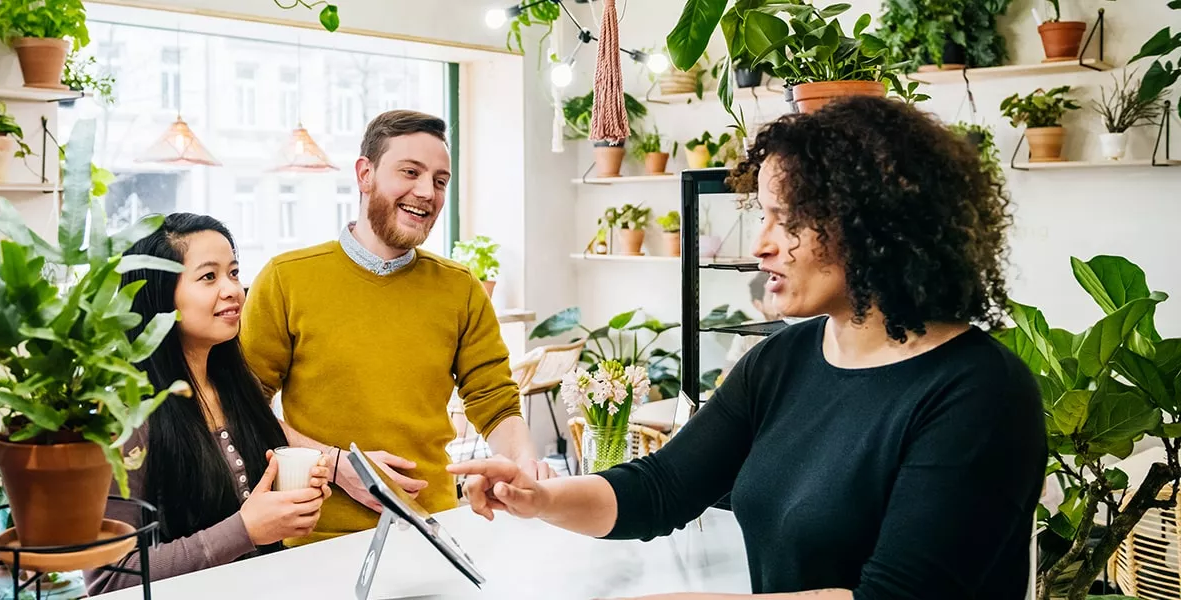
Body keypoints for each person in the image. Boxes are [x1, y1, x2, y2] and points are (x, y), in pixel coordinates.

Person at [448, 97, 1045, 599]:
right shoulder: (782, 359)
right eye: (761, 216)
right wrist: (539, 496)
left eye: (784, 220)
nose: (760, 245)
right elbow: (662, 488)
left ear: (871, 226)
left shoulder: (979, 393)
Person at [241, 109, 551, 544]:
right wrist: (333, 464)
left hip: (434, 531)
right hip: (314, 537)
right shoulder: (285, 279)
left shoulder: (460, 288)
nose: (426, 192)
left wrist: (525, 466)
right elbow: (241, 408)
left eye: (440, 181)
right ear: (365, 174)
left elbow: (495, 402)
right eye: (410, 172)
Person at [86, 213, 332, 593]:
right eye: (208, 277)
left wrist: (290, 501)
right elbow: (110, 577)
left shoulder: (235, 388)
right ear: (158, 293)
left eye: (234, 273)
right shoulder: (127, 414)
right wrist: (245, 530)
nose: (233, 289)